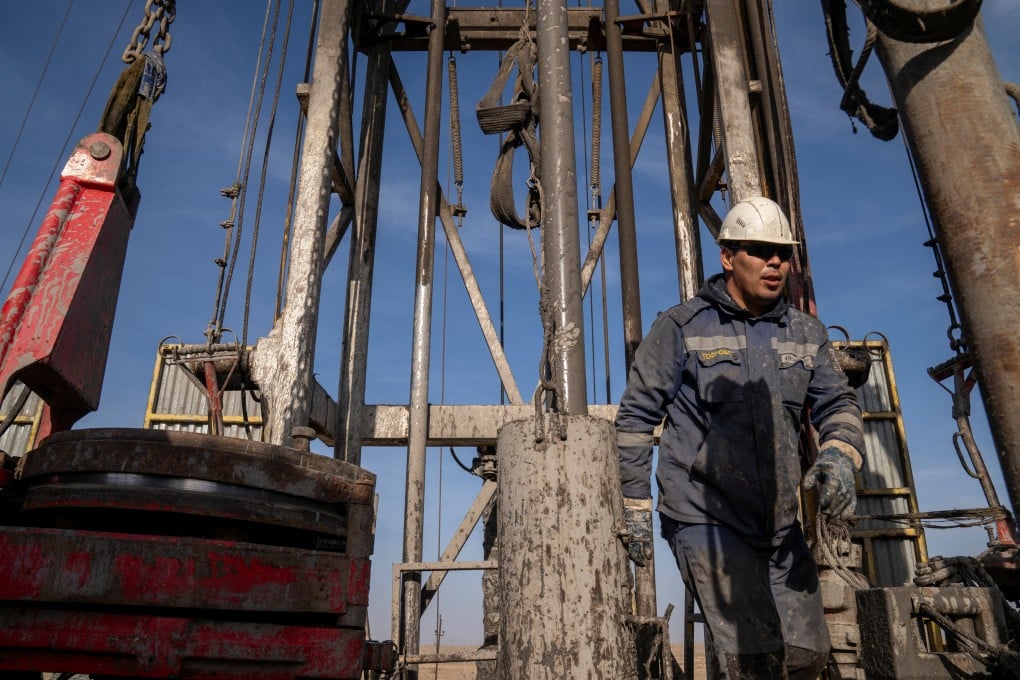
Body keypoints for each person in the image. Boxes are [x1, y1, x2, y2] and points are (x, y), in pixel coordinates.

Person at [615, 196, 865, 680]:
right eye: (759, 251)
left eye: (782, 254)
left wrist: (838, 453)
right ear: (728, 257)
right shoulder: (682, 327)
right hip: (705, 519)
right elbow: (636, 417)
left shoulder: (806, 333)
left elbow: (838, 403)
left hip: (778, 524)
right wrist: (635, 505)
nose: (775, 263)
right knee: (754, 660)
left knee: (807, 655)